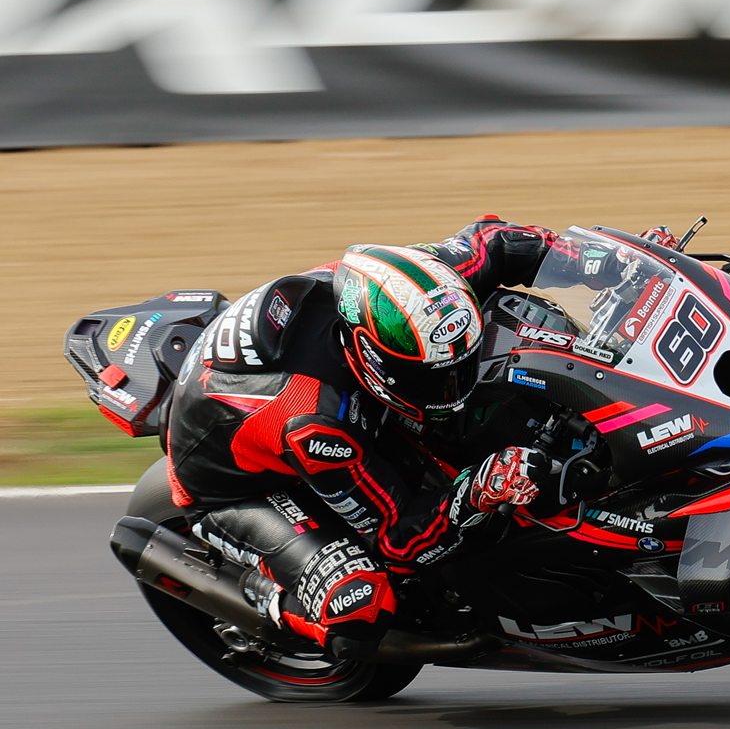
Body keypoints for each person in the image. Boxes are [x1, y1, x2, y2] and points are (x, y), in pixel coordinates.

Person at [165, 216, 671, 660]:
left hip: (330, 397)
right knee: (358, 604)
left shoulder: (422, 286)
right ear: (375, 363)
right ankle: (271, 603)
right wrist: (477, 492)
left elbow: (495, 241)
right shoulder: (314, 422)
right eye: (438, 380)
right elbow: (398, 539)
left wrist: (607, 262)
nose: (458, 385)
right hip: (237, 488)